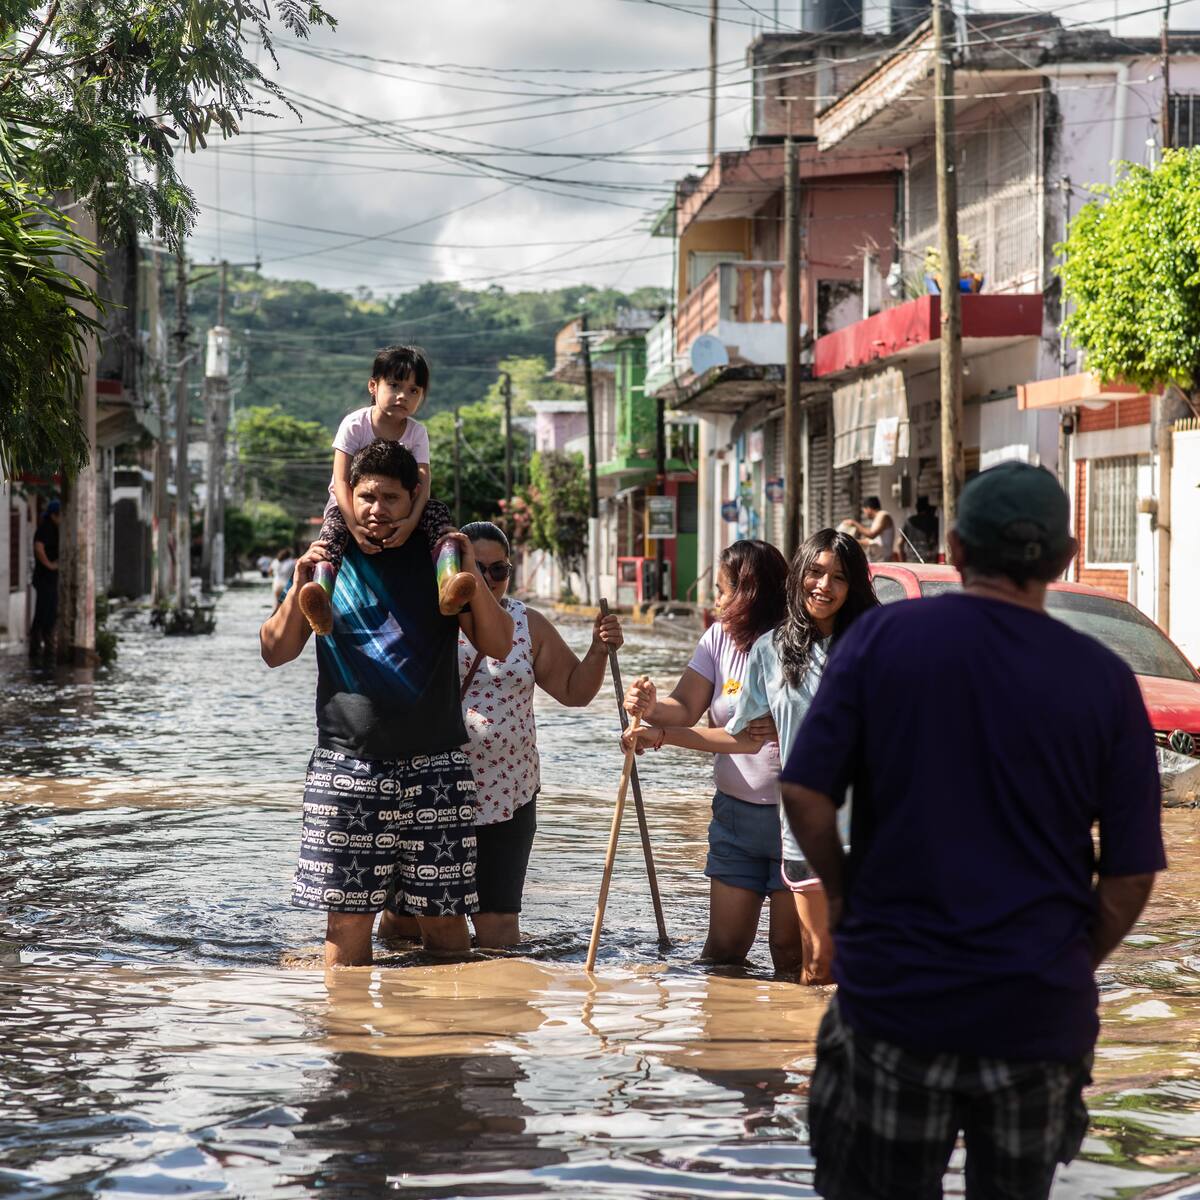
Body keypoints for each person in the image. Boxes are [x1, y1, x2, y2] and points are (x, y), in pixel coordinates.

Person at [779, 462, 1165, 1200]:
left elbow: (803, 791)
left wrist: (848, 899)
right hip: (1035, 1021)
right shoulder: (1105, 681)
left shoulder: (882, 639)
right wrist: (1064, 962)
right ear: (1064, 558)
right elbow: (1132, 875)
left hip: (896, 1003)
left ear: (954, 547)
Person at [260, 439, 514, 968]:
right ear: (348, 495)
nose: (377, 509)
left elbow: (498, 644)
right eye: (367, 496)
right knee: (347, 923)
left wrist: (469, 568)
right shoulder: (328, 565)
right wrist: (298, 585)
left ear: (414, 497)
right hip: (345, 765)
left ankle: (449, 1023)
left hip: (437, 765)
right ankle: (348, 1023)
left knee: (445, 922)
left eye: (391, 498)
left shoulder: (440, 562)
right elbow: (275, 652)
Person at [626, 530, 877, 984]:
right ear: (798, 577)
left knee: (812, 959)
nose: (824, 585)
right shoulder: (770, 649)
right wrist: (657, 729)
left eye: (839, 577)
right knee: (788, 965)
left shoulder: (873, 646)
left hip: (853, 827)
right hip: (781, 828)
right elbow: (739, 737)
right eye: (815, 573)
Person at [380, 521, 625, 949]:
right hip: (431, 790)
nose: (489, 579)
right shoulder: (429, 616)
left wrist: (598, 650)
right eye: (477, 568)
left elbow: (575, 691)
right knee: (408, 924)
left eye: (500, 569)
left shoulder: (527, 624)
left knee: (499, 931)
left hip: (509, 792)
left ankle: (495, 993)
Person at [622, 540, 801, 976]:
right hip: (735, 819)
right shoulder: (717, 638)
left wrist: (662, 736)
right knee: (723, 953)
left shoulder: (794, 643)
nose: (715, 601)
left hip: (796, 821)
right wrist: (650, 706)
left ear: (748, 593)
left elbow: (742, 738)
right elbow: (686, 705)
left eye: (722, 591)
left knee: (789, 955)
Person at [296, 344, 475, 636]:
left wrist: (411, 523)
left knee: (439, 515)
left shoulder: (417, 432)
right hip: (348, 507)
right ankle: (322, 599)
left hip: (401, 509)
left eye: (414, 390)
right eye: (394, 385)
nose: (403, 395)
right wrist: (353, 526)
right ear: (373, 386)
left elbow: (423, 483)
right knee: (330, 539)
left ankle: (448, 584)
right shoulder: (355, 424)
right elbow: (340, 481)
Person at [29, 499, 61, 660]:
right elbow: (39, 547)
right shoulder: (46, 528)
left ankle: (45, 648)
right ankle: (40, 648)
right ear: (54, 515)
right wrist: (50, 565)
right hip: (44, 578)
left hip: (49, 579)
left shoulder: (54, 529)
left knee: (48, 612)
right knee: (44, 613)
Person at [844, 495, 894, 562]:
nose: (865, 514)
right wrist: (853, 541)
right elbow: (871, 541)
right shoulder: (877, 519)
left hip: (883, 560)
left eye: (864, 511)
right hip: (877, 559)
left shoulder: (883, 515)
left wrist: (854, 523)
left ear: (868, 508)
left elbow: (872, 534)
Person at [900, 494, 939, 563]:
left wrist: (902, 560)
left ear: (917, 508)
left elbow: (900, 543)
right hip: (929, 560)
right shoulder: (934, 521)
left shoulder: (909, 521)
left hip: (911, 560)